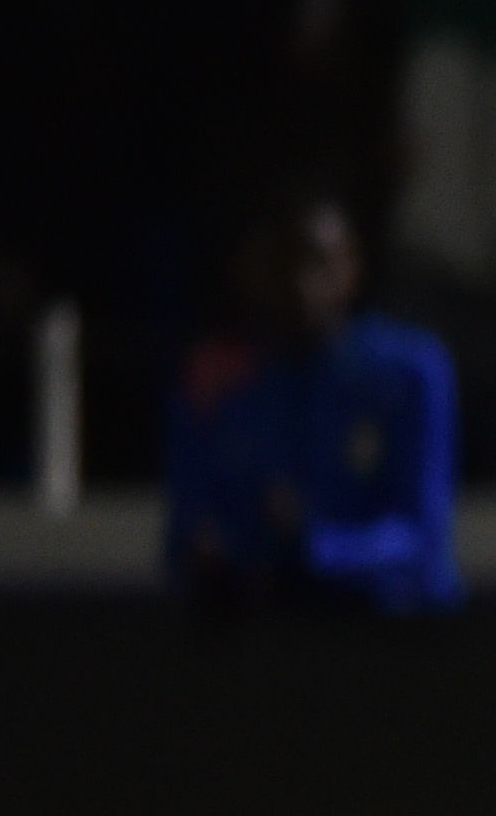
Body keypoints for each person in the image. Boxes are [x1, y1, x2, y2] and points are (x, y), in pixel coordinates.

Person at [163, 197, 461, 614]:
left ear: (352, 268)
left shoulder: (408, 373)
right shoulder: (221, 383)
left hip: (388, 638)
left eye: (319, 264)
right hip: (262, 640)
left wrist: (315, 544)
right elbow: (185, 540)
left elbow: (424, 544)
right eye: (281, 266)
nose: (301, 286)